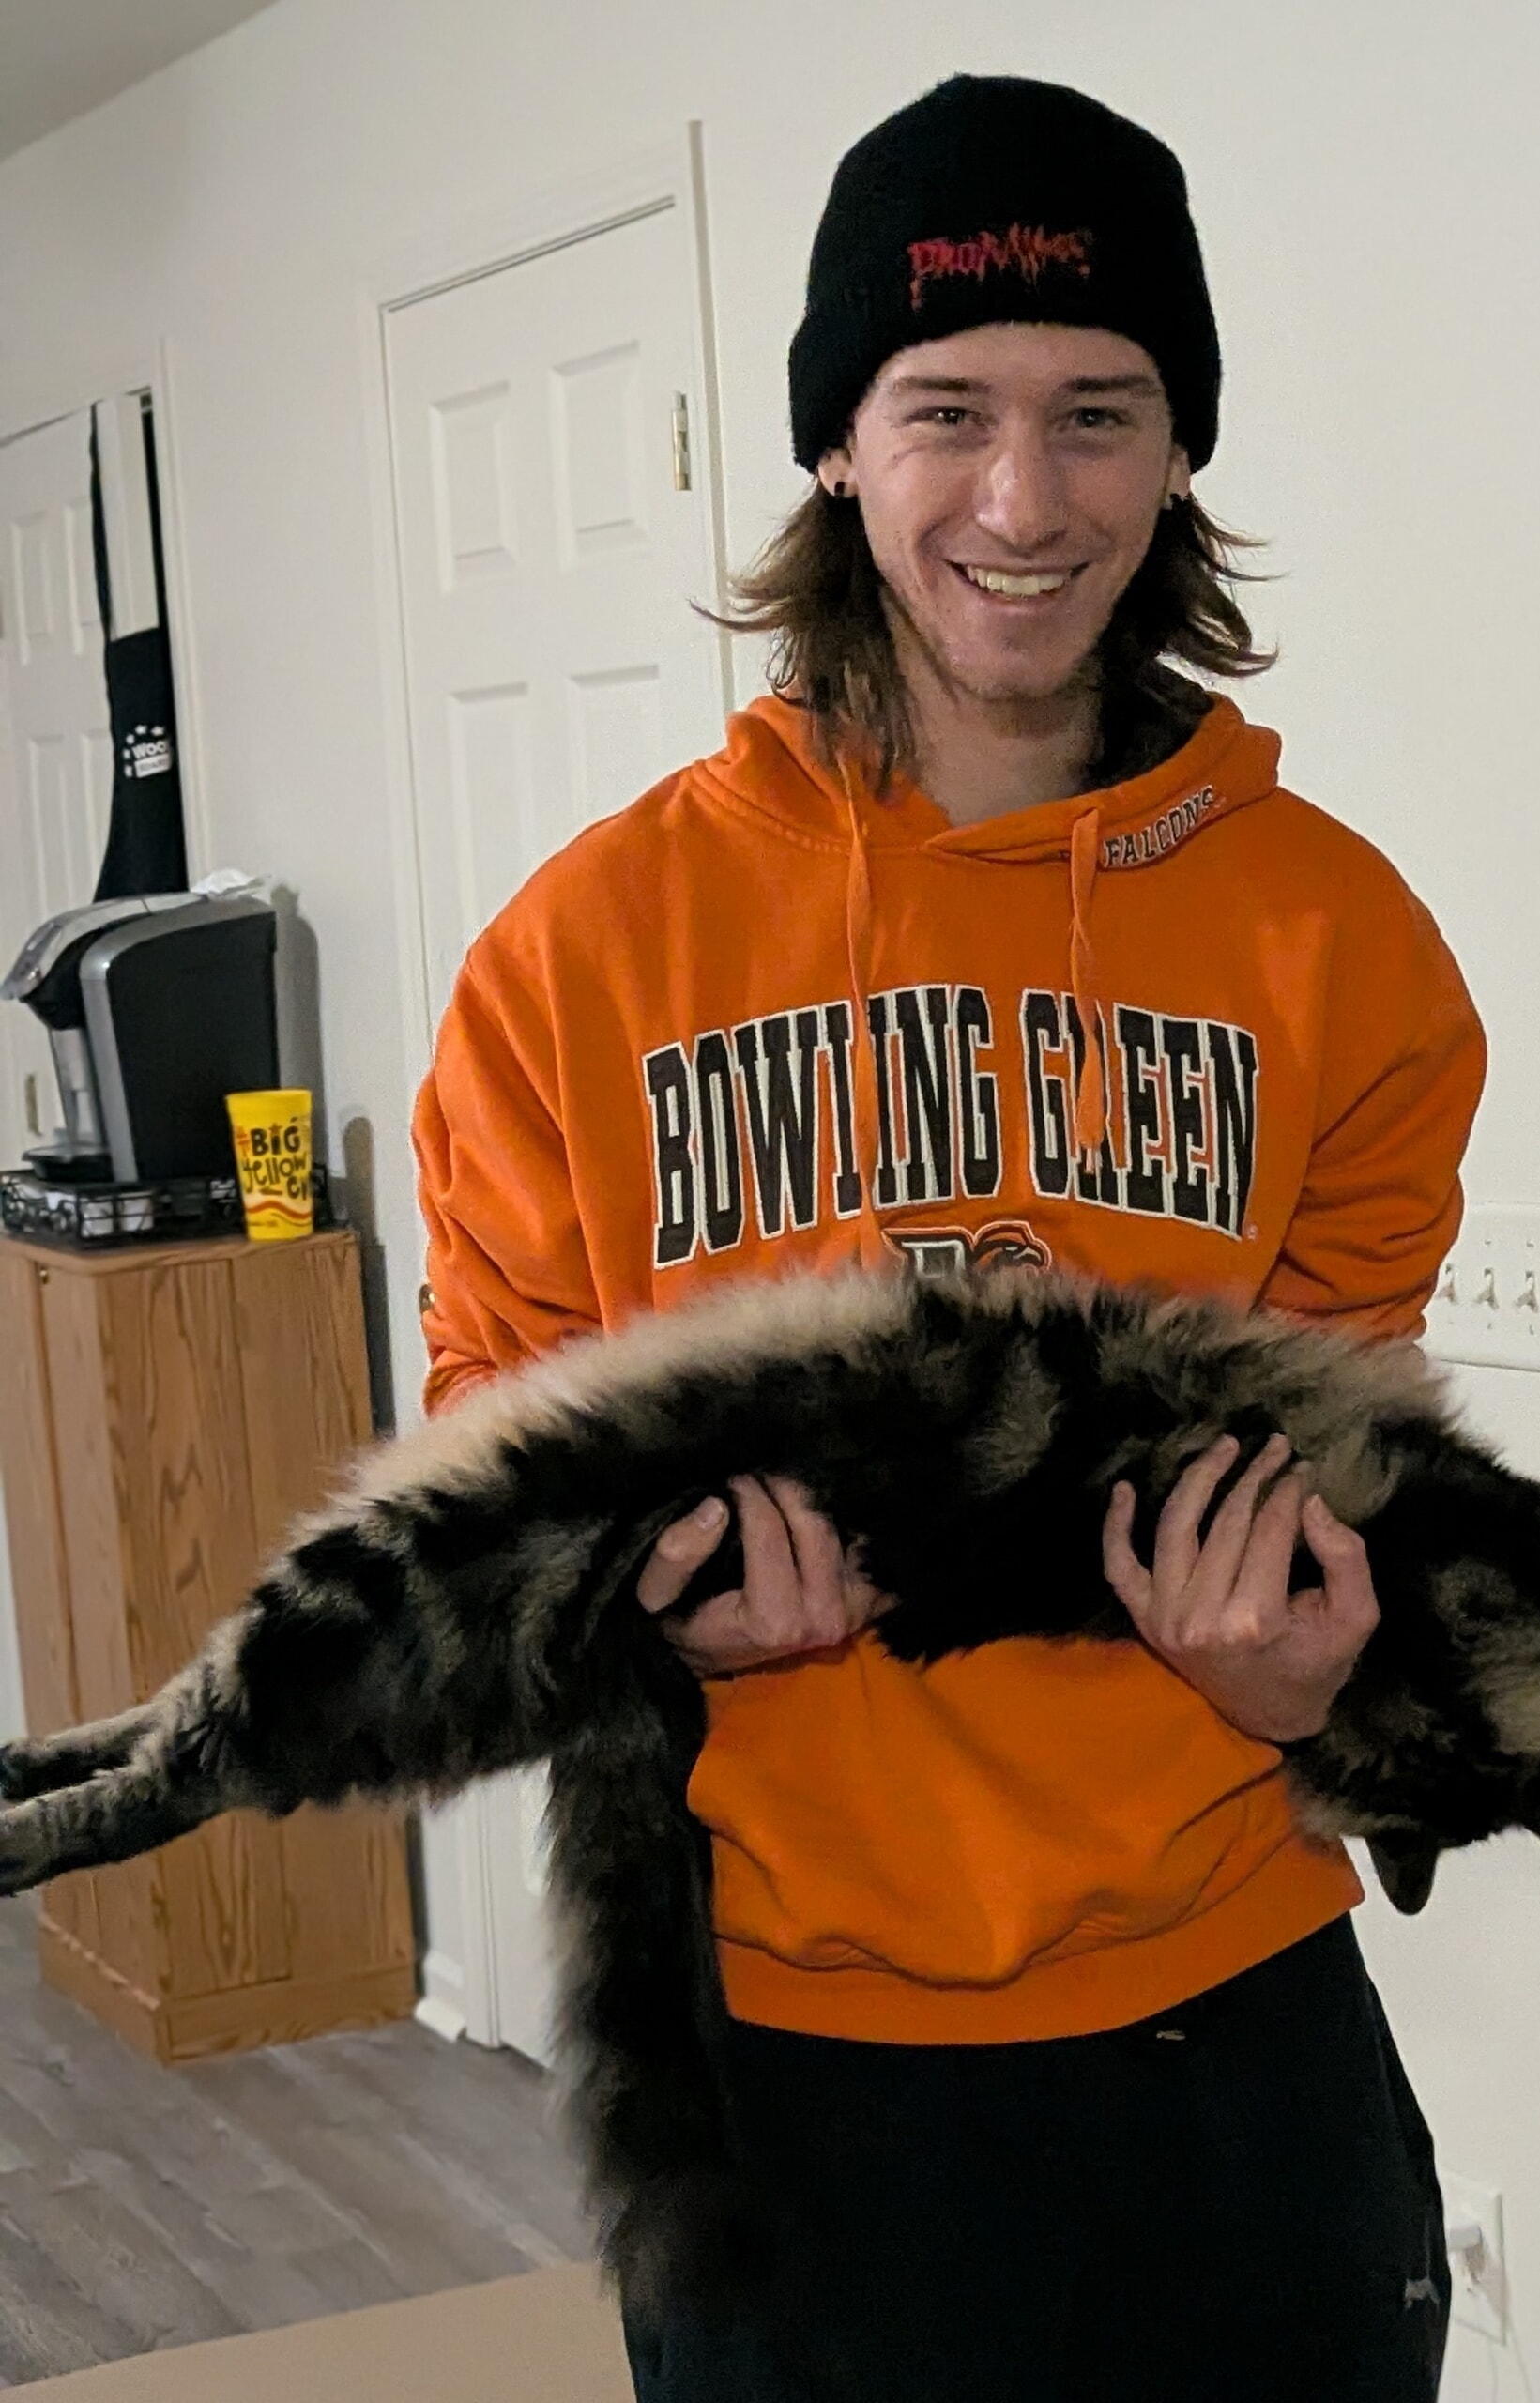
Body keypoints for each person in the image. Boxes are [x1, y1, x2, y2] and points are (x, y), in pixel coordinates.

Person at [414, 73, 1486, 2403]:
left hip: (1238, 2053)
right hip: (782, 2074)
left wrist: (1314, 1678)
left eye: (1099, 412)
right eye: (948, 412)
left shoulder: (1342, 947)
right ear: (833, 447)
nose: (1025, 502)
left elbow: (1368, 1501)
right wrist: (655, 1609)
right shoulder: (574, 966)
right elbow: (480, 1540)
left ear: (1181, 450)